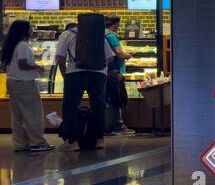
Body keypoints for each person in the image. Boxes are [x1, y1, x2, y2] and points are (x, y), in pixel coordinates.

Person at [55, 18, 114, 150]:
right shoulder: (97, 35)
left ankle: (72, 141)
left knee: (70, 105)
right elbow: (110, 57)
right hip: (99, 73)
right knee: (99, 105)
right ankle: (100, 139)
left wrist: (66, 75)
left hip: (75, 72)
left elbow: (60, 57)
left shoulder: (66, 34)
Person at [3, 20, 52, 153]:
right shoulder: (23, 45)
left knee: (18, 115)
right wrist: (38, 67)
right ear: (24, 30)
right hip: (24, 82)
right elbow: (22, 64)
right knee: (33, 113)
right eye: (30, 28)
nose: (32, 30)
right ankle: (37, 142)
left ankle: (20, 143)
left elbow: (5, 66)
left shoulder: (11, 45)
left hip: (12, 82)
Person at [103, 16, 134, 136]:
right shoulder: (111, 35)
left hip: (104, 71)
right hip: (114, 72)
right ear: (115, 24)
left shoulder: (102, 34)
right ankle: (118, 126)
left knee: (107, 99)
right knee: (117, 99)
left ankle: (106, 126)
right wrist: (127, 55)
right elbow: (118, 52)